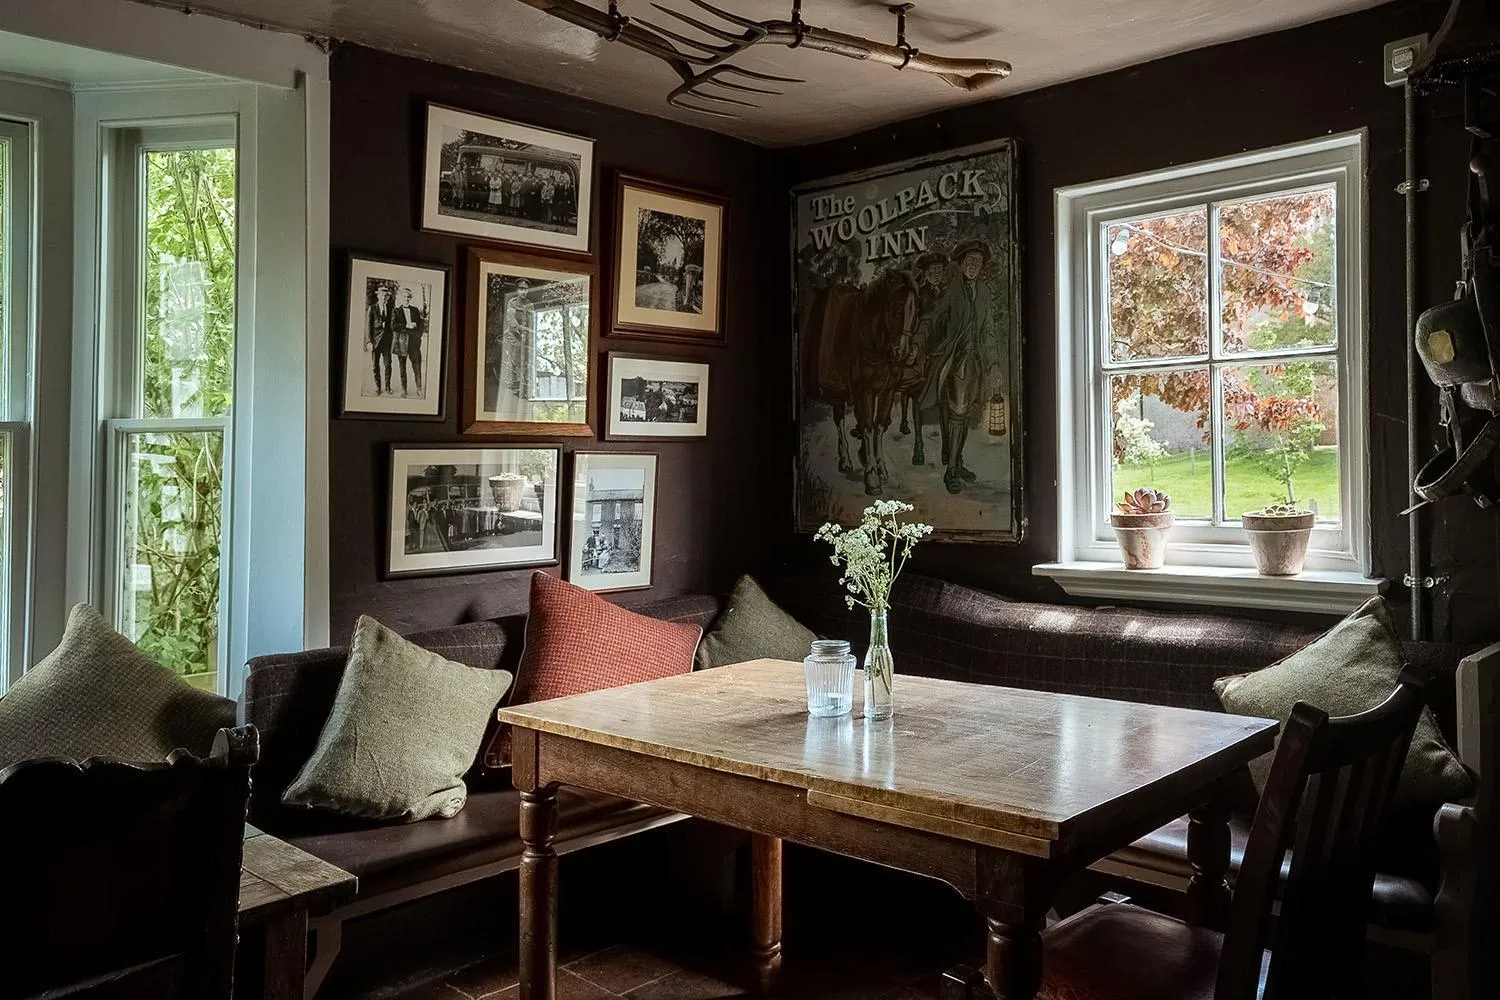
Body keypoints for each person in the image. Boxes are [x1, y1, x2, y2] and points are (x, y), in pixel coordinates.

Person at [923, 240, 997, 494]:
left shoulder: (985, 293)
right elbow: (934, 318)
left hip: (977, 361)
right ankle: (951, 470)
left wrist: (994, 364)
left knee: (964, 415)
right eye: (969, 262)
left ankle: (957, 460)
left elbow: (988, 330)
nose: (973, 266)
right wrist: (917, 339)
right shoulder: (951, 291)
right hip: (955, 358)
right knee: (957, 413)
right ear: (962, 263)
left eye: (978, 263)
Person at [392, 286, 425, 398]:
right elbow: (393, 326)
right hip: (402, 344)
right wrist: (406, 325)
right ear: (401, 298)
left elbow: (421, 325)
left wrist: (418, 336)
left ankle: (419, 388)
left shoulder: (415, 310)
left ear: (410, 298)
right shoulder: (396, 311)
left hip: (414, 344)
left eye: (408, 297)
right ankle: (404, 390)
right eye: (404, 296)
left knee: (417, 366)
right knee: (402, 368)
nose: (406, 298)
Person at [366, 282, 396, 396]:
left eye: (386, 296)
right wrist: (369, 341)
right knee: (375, 366)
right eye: (382, 295)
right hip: (375, 342)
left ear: (388, 297)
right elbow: (368, 327)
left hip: (387, 343)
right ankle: (378, 387)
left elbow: (392, 326)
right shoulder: (372, 308)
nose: (384, 297)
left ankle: (388, 387)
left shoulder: (390, 309)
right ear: (378, 296)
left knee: (388, 365)